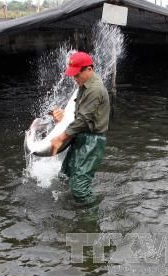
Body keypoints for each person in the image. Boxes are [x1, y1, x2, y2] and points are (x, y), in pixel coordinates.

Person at [50, 51, 110, 207]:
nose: (74, 78)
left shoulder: (95, 89)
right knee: (65, 175)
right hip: (80, 136)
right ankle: (71, 204)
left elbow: (83, 120)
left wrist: (60, 138)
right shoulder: (84, 85)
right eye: (73, 74)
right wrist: (61, 114)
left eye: (77, 74)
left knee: (80, 189)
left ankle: (91, 216)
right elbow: (79, 113)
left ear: (89, 69)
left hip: (92, 140)